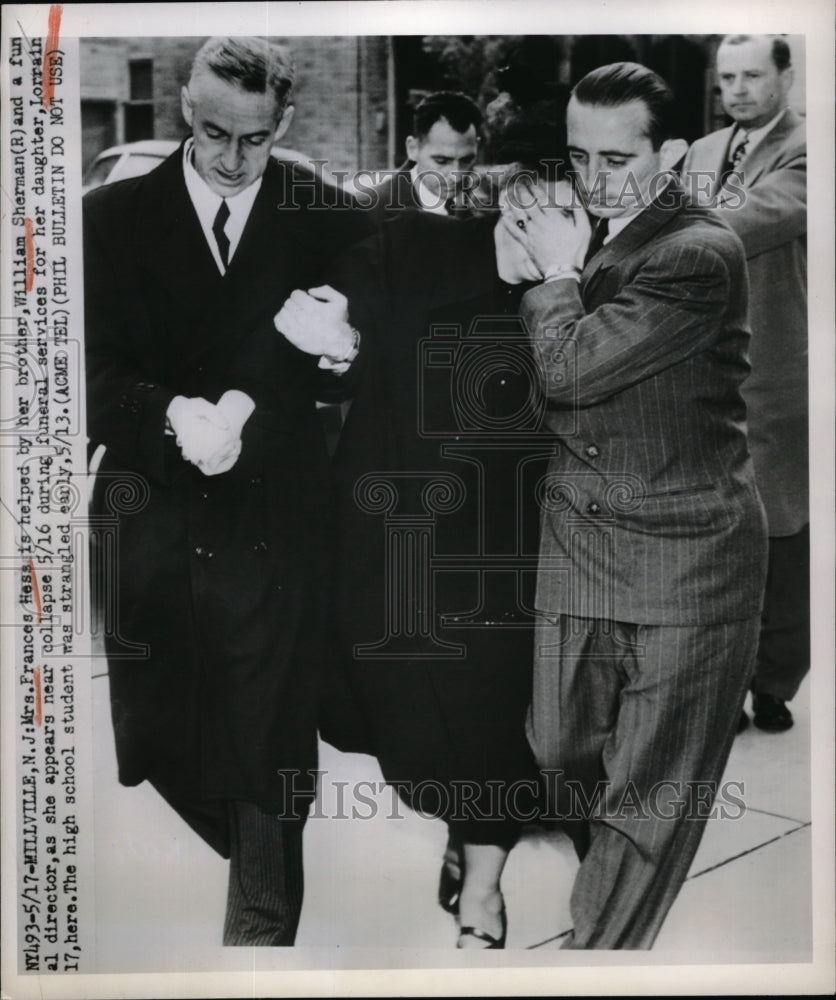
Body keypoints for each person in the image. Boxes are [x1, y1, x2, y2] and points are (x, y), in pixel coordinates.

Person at [84, 36, 369, 946]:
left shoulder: (329, 216)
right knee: (165, 738)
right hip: (153, 516)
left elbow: (384, 346)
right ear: (183, 109)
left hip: (274, 521)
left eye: (254, 138)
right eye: (213, 133)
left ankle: (260, 939)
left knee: (267, 736)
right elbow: (76, 371)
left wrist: (344, 353)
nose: (233, 158)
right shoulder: (109, 218)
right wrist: (166, 414)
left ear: (282, 123)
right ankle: (252, 859)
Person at [502, 62, 768, 948]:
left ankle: (600, 956)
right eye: (579, 157)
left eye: (618, 160)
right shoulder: (584, 234)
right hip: (580, 552)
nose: (595, 179)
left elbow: (569, 373)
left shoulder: (698, 250)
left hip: (685, 565)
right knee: (557, 753)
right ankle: (608, 906)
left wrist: (549, 273)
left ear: (673, 153)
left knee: (647, 804)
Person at [274, 139, 563, 947]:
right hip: (396, 532)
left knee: (495, 712)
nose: (576, 232)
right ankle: (460, 825)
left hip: (506, 544)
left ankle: (483, 884)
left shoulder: (572, 292)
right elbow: (345, 317)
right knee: (411, 720)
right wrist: (339, 338)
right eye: (560, 213)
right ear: (516, 212)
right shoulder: (415, 246)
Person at [683, 35, 808, 733]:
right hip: (708, 374)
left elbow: (757, 217)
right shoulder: (701, 152)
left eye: (752, 75)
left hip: (778, 376)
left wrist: (666, 219)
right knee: (720, 541)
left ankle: (775, 682)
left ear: (784, 76)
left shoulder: (807, 148)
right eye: (727, 77)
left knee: (783, 536)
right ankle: (724, 684)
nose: (737, 90)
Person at [367, 90, 483, 221]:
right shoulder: (369, 212)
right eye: (441, 161)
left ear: (477, 146)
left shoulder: (493, 209)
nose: (456, 176)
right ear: (413, 149)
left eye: (466, 160)